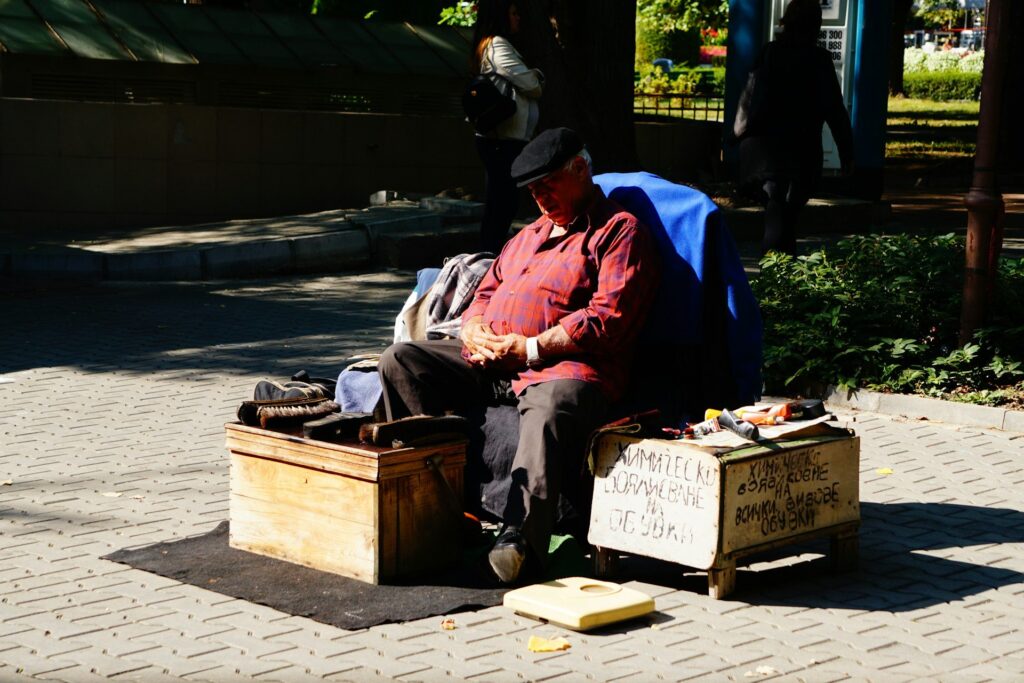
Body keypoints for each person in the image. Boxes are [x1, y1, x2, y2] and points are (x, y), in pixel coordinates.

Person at [378, 128, 660, 584]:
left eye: (548, 185)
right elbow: (484, 292)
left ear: (580, 169)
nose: (539, 198)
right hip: (495, 357)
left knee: (550, 407)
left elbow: (609, 316)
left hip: (564, 365)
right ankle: (432, 505)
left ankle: (519, 543)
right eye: (532, 191)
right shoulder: (528, 235)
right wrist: (473, 330)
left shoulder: (619, 231)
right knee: (401, 360)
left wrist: (529, 348)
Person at [735, 0, 853, 256]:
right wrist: (847, 154)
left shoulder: (769, 52)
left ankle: (776, 268)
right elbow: (835, 110)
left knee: (775, 209)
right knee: (787, 214)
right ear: (815, 25)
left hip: (761, 150)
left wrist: (739, 134)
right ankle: (780, 269)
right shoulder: (818, 59)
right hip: (801, 150)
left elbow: (749, 97)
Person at [471, 0, 544, 254]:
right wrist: (537, 75)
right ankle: (489, 257)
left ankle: (490, 255)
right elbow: (531, 85)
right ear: (501, 16)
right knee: (502, 204)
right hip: (501, 140)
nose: (517, 18)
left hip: (504, 139)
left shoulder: (493, 44)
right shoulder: (497, 45)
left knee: (501, 203)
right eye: (513, 13)